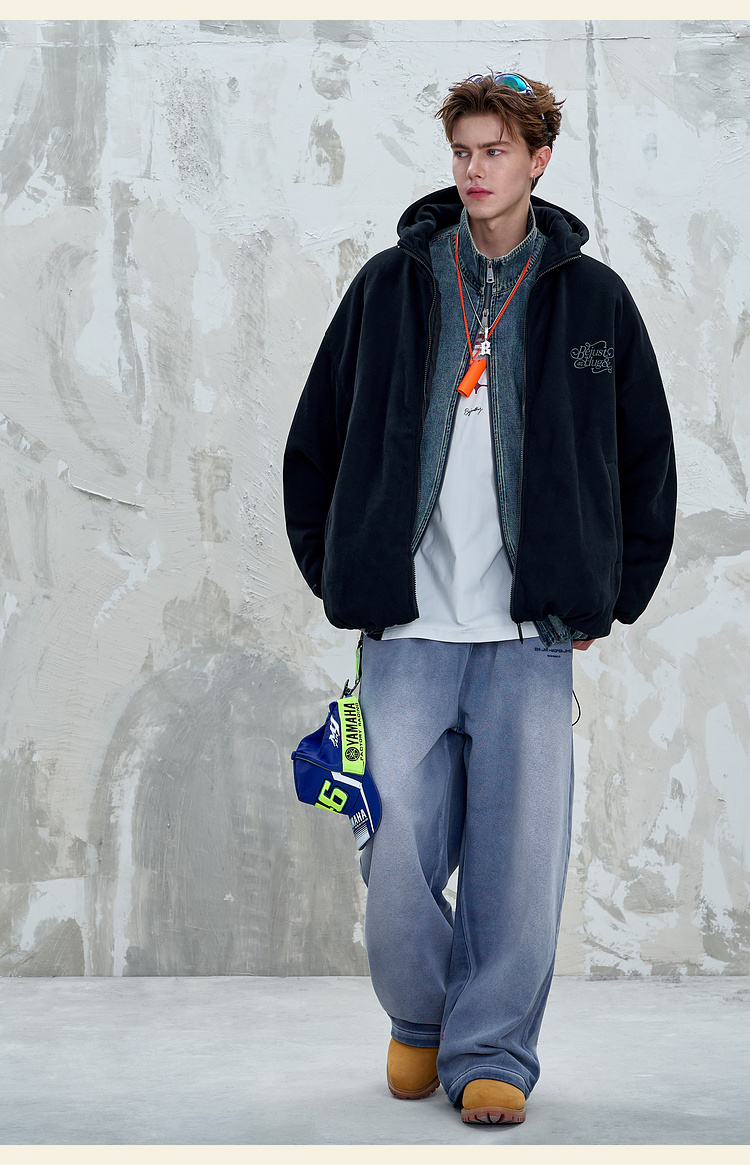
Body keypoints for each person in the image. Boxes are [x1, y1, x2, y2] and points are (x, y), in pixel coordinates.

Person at [283, 72, 676, 1126]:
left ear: (537, 159)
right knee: (391, 833)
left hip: (530, 633)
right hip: (407, 626)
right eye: (462, 150)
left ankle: (492, 1046)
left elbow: (644, 452)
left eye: (495, 150)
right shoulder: (391, 286)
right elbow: (314, 438)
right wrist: (343, 570)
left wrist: (608, 593)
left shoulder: (593, 302)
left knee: (520, 854)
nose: (473, 168)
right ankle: (421, 1017)